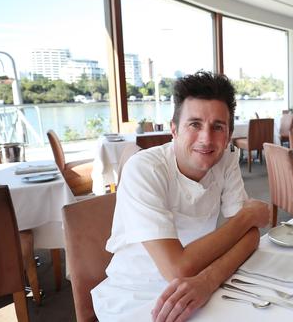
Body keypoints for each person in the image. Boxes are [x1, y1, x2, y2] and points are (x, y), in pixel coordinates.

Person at [91, 71, 269, 321]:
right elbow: (177, 267)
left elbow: (251, 237)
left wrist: (208, 280)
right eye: (194, 124)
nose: (206, 139)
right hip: (136, 294)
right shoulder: (145, 168)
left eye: (217, 127)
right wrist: (247, 216)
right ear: (174, 129)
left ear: (228, 135)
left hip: (201, 280)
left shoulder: (226, 158)